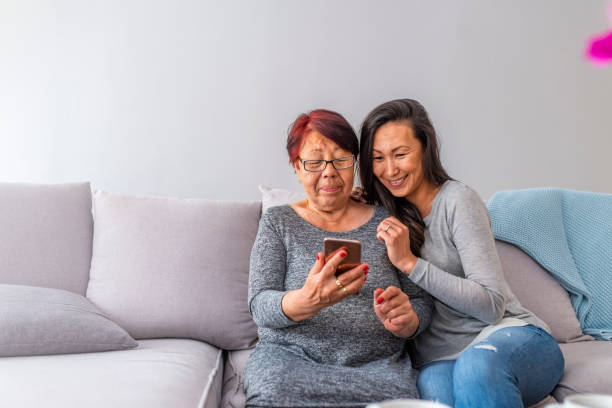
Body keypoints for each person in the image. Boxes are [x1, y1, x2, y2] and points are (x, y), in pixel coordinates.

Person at [358, 99, 564, 408]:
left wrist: (410, 264)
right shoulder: (381, 214)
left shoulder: (458, 201)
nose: (390, 169)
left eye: (401, 154)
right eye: (378, 158)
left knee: (476, 368)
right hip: (439, 360)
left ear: (426, 150)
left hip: (509, 338)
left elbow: (491, 305)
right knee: (434, 392)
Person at [243, 109, 434, 408]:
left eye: (341, 160)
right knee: (273, 391)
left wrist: (410, 320)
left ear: (354, 164)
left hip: (376, 366)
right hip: (291, 361)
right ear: (297, 166)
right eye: (315, 162)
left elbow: (421, 301)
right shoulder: (278, 222)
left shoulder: (388, 223)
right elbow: (259, 305)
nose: (329, 171)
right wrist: (305, 300)